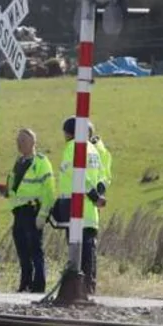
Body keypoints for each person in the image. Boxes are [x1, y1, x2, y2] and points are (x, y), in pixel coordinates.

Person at [52, 116, 106, 295]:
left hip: (75, 208)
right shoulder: (94, 150)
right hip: (91, 211)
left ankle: (79, 290)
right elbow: (102, 176)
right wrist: (98, 194)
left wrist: (92, 195)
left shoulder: (72, 147)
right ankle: (89, 287)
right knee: (89, 251)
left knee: (78, 253)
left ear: (69, 133)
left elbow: (77, 174)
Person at [2, 128, 55, 293]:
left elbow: (49, 191)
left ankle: (38, 286)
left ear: (33, 142)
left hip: (33, 211)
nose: (19, 144)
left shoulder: (41, 162)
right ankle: (25, 284)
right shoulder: (19, 162)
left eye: (23, 141)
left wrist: (43, 214)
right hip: (19, 212)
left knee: (35, 250)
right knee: (22, 250)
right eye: (18, 141)